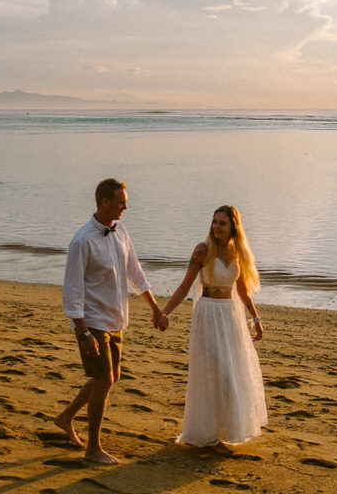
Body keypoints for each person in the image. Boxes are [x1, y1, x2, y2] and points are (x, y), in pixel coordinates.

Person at [55, 178, 168, 465]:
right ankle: (93, 448)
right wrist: (83, 334)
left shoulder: (121, 232)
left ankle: (66, 416)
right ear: (104, 202)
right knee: (104, 379)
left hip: (116, 318)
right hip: (91, 323)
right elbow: (72, 291)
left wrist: (154, 308)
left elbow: (135, 272)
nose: (125, 206)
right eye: (121, 201)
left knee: (109, 377)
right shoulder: (82, 241)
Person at [160, 205, 267, 453]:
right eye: (214, 222)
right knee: (212, 372)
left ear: (233, 227)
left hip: (230, 315)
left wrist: (256, 318)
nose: (216, 227)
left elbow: (242, 289)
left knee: (231, 372)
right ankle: (208, 436)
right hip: (207, 313)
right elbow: (185, 286)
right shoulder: (203, 250)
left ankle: (225, 431)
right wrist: (164, 312)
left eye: (222, 223)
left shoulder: (237, 251)